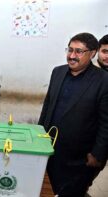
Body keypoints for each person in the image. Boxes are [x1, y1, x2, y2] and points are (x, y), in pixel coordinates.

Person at [38, 32, 108, 196]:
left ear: (92, 53)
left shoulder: (103, 80)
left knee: (71, 191)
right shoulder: (58, 72)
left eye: (78, 51)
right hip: (49, 147)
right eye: (70, 50)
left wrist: (98, 153)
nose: (72, 56)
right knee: (46, 187)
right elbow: (48, 105)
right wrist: (38, 134)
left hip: (79, 156)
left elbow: (106, 122)